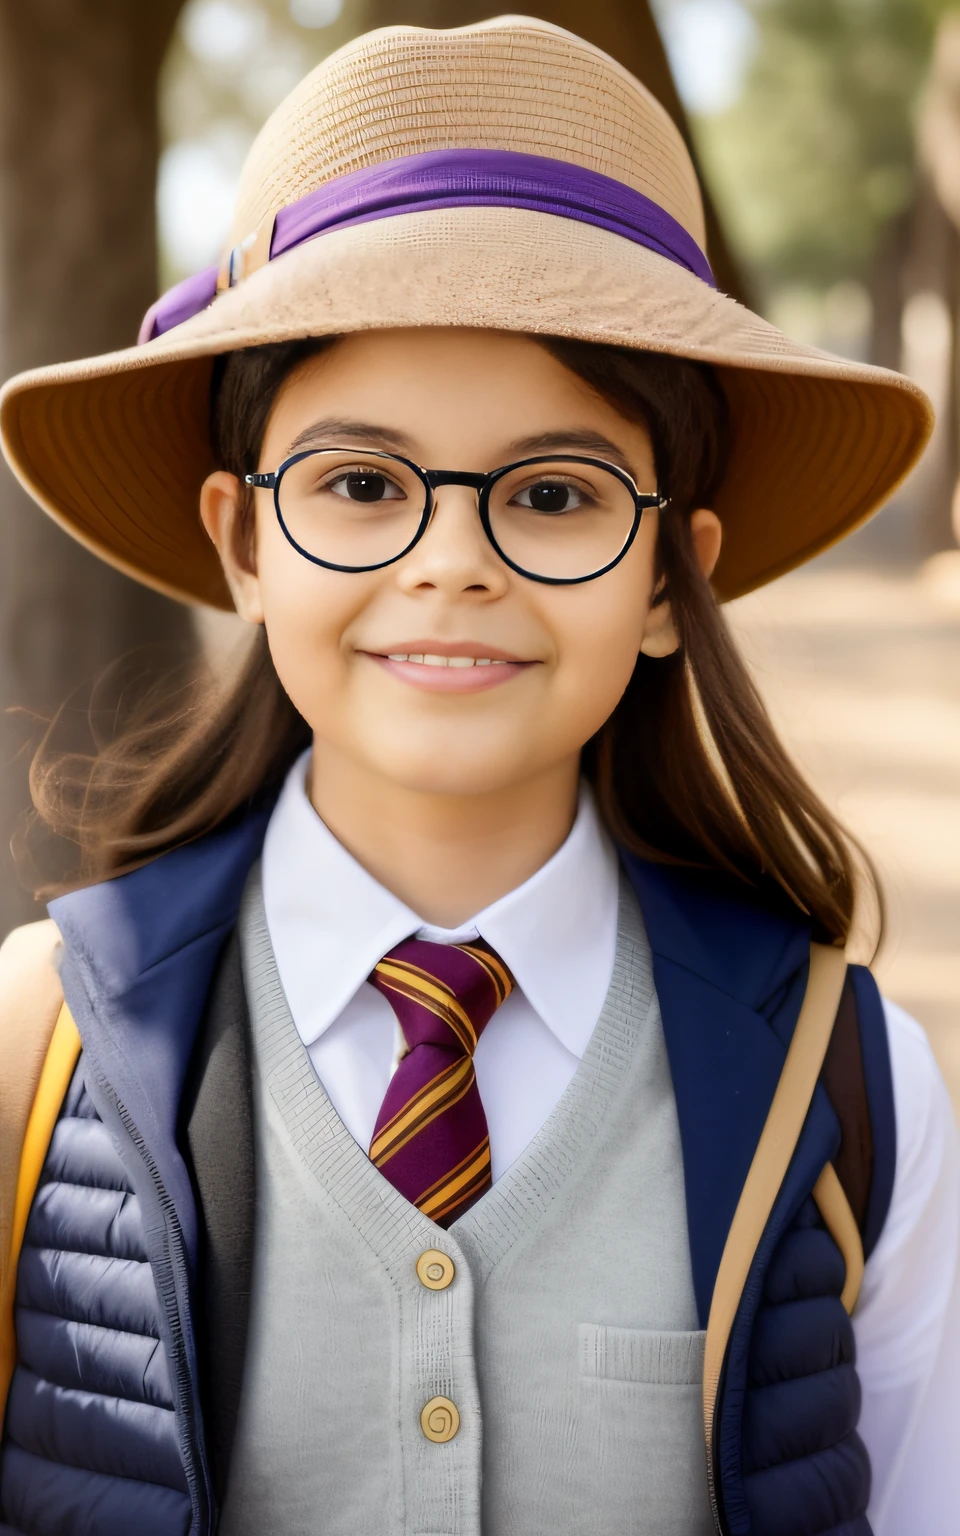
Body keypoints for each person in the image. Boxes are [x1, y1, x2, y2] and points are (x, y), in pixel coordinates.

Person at [0, 15, 955, 1536]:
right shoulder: (29, 1051)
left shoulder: (851, 1085)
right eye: (362, 484)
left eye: (558, 494)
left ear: (667, 581)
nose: (451, 565)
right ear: (243, 545)